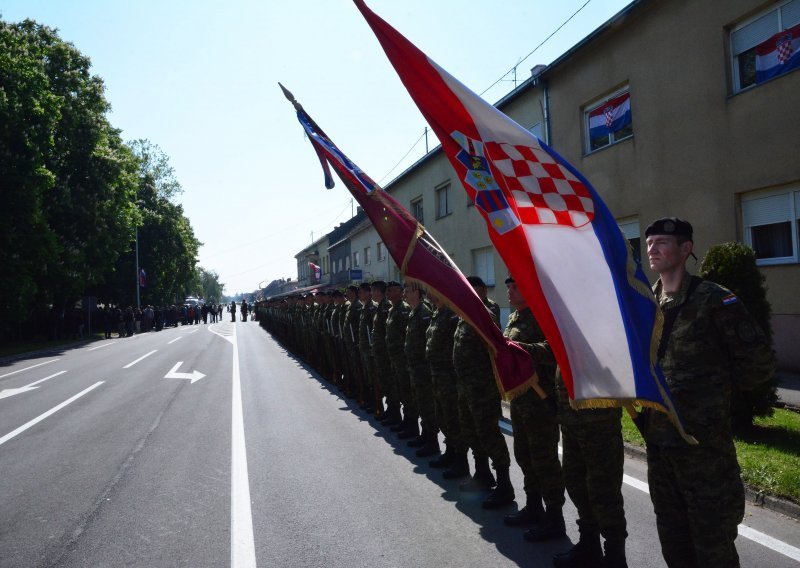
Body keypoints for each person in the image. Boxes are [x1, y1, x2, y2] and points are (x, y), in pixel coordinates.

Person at [641, 217, 775, 568]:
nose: (652, 249)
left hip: (703, 450)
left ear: (686, 249)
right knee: (673, 539)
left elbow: (758, 366)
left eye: (662, 243)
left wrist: (714, 399)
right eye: (649, 242)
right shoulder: (644, 304)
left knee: (712, 543)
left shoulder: (715, 300)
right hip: (659, 446)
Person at [502, 276, 566, 543]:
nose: (509, 291)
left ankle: (554, 519)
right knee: (525, 456)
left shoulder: (542, 316)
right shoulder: (514, 318)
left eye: (515, 286)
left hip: (541, 402)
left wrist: (521, 349)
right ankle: (533, 506)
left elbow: (555, 350)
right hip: (521, 401)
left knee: (544, 461)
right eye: (507, 287)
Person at [452, 276, 514, 509]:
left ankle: (504, 485)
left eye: (472, 291)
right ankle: (482, 474)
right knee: (471, 431)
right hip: (465, 387)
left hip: (483, 389)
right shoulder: (464, 313)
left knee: (489, 434)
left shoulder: (487, 312)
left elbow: (492, 338)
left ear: (482, 292)